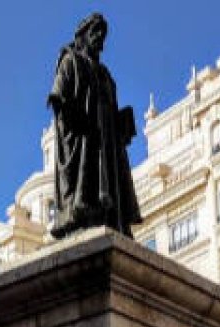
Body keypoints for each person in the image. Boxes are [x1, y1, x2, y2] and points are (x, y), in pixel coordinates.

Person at [48, 13, 142, 239]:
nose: (100, 37)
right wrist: (70, 111)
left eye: (103, 34)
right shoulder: (71, 61)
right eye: (95, 32)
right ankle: (84, 215)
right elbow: (57, 96)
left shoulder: (106, 75)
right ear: (83, 36)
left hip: (106, 142)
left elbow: (109, 106)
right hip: (85, 138)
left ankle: (110, 217)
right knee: (88, 182)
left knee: (109, 181)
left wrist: (121, 121)